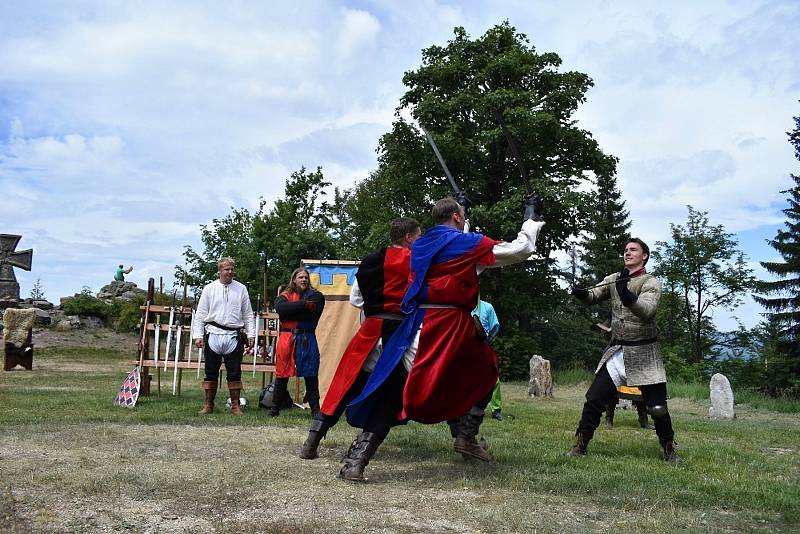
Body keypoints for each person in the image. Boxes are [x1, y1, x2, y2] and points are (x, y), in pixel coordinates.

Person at [339, 193, 545, 482]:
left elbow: (456, 246)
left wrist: (464, 212)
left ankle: (356, 461)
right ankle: (466, 436)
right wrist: (531, 219)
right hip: (449, 328)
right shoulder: (463, 244)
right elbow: (519, 250)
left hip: (413, 330)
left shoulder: (421, 244)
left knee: (394, 390)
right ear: (457, 218)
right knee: (487, 371)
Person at [299, 217, 421, 460]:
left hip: (369, 331)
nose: (420, 240)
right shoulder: (416, 261)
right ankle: (359, 457)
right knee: (392, 394)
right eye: (418, 235)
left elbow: (356, 300)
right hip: (397, 335)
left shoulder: (369, 261)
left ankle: (311, 442)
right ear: (408, 237)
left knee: (346, 386)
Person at [568, 238, 680, 462]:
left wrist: (629, 298)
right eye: (626, 250)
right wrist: (582, 294)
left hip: (645, 353)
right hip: (618, 351)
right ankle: (580, 446)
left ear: (644, 256)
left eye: (633, 250)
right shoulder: (614, 279)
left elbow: (647, 310)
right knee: (593, 399)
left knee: (657, 407)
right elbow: (593, 295)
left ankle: (669, 451)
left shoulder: (651, 282)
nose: (627, 253)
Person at [192, 257, 255, 416]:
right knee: (210, 372)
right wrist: (198, 335)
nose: (230, 272)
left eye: (232, 269)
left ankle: (235, 406)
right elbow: (200, 314)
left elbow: (247, 314)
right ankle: (208, 405)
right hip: (213, 334)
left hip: (233, 336)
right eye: (226, 269)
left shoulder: (241, 289)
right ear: (219, 271)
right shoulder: (209, 288)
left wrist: (252, 333)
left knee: (234, 372)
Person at [271, 267, 325, 417]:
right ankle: (274, 409)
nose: (303, 280)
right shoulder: (285, 295)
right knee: (282, 373)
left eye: (306, 277)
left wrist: (292, 311)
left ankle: (316, 410)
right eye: (300, 277)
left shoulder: (316, 296)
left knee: (311, 373)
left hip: (307, 338)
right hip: (287, 338)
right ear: (294, 279)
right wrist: (303, 305)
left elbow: (313, 313)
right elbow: (281, 308)